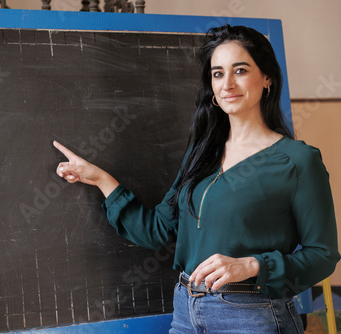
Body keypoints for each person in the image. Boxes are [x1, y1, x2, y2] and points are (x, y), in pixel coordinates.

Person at [53, 24, 340, 333]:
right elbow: (160, 231)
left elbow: (322, 256)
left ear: (267, 78)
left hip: (252, 316)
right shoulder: (201, 153)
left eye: (240, 70)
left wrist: (253, 265)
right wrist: (99, 179)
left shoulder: (298, 160)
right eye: (217, 74)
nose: (227, 83)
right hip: (187, 312)